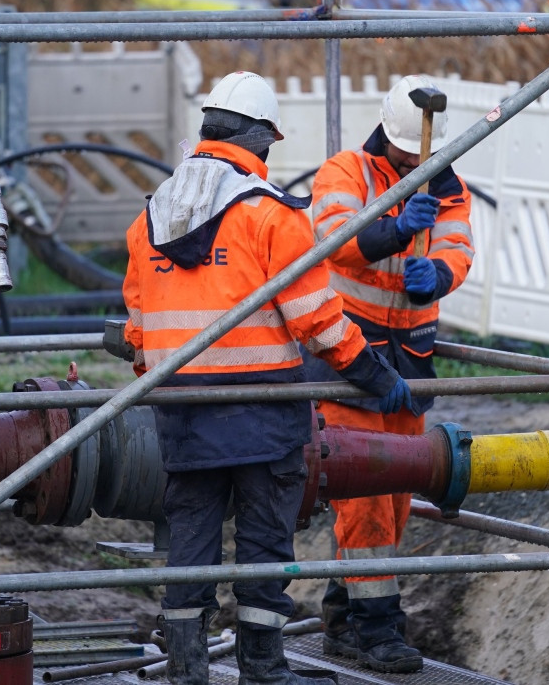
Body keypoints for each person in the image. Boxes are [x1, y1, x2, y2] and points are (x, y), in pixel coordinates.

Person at [121, 70, 415, 685]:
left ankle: (186, 670)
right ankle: (262, 668)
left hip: (182, 413)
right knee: (263, 541)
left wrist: (170, 388)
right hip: (264, 411)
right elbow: (319, 323)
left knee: (191, 542)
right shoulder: (270, 216)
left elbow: (138, 332)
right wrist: (373, 374)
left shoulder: (149, 217)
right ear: (261, 141)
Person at [302, 73, 475, 674]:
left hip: (412, 357)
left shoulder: (446, 181)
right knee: (368, 495)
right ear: (387, 135)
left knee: (395, 496)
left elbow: (458, 246)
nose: (412, 162)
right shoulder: (344, 173)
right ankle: (378, 631)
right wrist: (393, 229)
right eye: (404, 154)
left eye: (418, 155)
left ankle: (343, 619)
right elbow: (335, 241)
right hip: (351, 357)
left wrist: (443, 275)